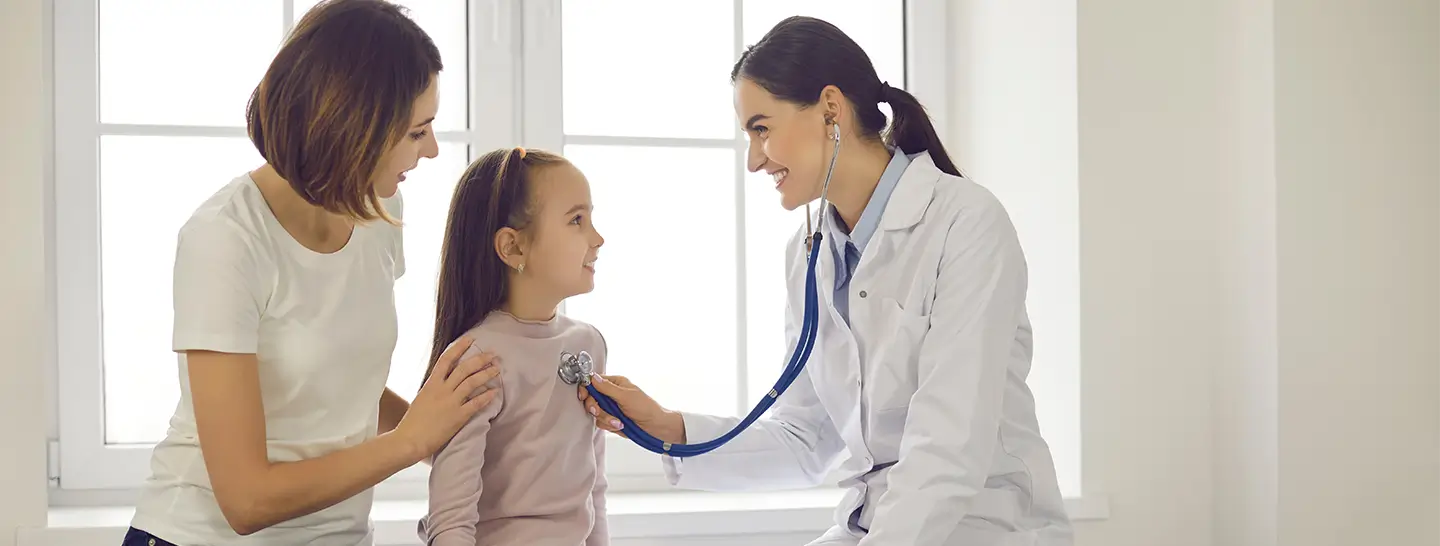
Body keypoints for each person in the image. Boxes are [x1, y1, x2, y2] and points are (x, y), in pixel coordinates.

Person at [578, 15, 1072, 546]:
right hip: (873, 524)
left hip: (981, 525)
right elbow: (808, 436)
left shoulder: (965, 222)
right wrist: (671, 429)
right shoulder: (810, 255)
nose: (753, 160)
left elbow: (946, 449)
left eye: (761, 128)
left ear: (830, 109)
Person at [123, 1, 501, 545]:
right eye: (417, 132)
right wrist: (414, 440)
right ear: (354, 125)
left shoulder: (379, 215)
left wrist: (457, 430)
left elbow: (344, 388)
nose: (434, 150)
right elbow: (246, 500)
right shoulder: (226, 240)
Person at [418, 147, 610, 546]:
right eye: (577, 220)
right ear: (513, 248)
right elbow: (451, 522)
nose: (598, 238)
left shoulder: (588, 344)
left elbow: (594, 490)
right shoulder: (477, 359)